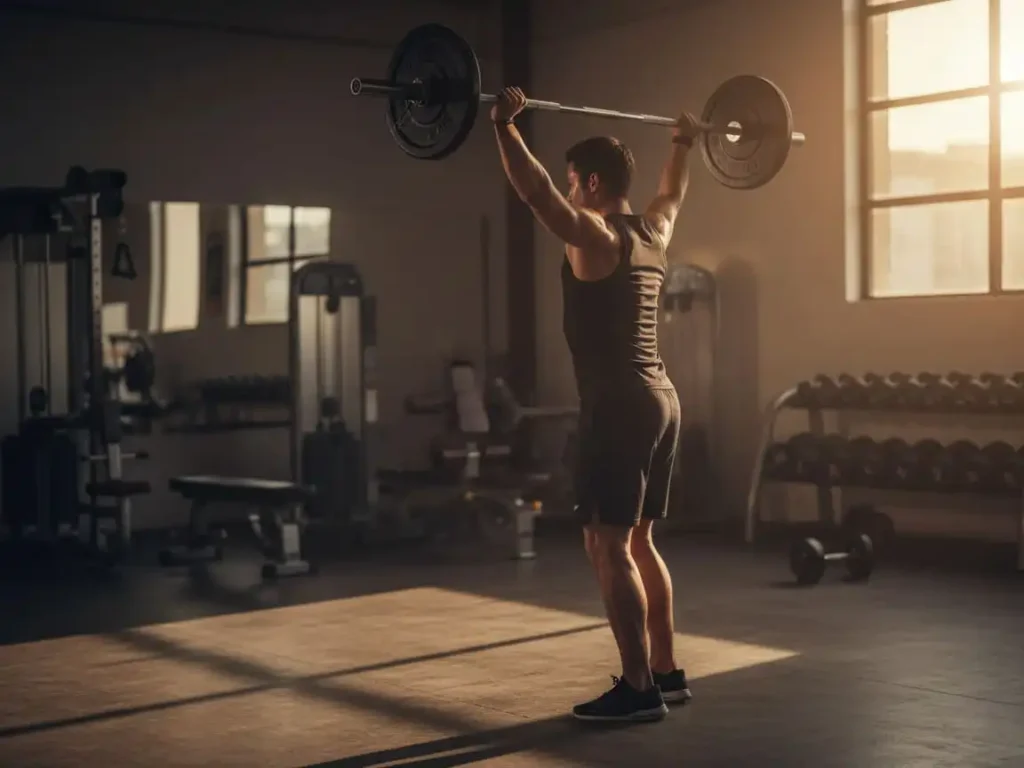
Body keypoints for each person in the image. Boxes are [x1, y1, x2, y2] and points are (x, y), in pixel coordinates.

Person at [492, 87, 696, 723]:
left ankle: (638, 689)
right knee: (639, 540)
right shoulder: (654, 230)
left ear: (592, 183)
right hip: (662, 397)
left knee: (606, 544)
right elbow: (673, 192)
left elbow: (535, 195)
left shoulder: (598, 235)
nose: (569, 190)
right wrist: (683, 142)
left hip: (619, 406)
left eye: (574, 181)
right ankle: (666, 670)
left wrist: (504, 127)